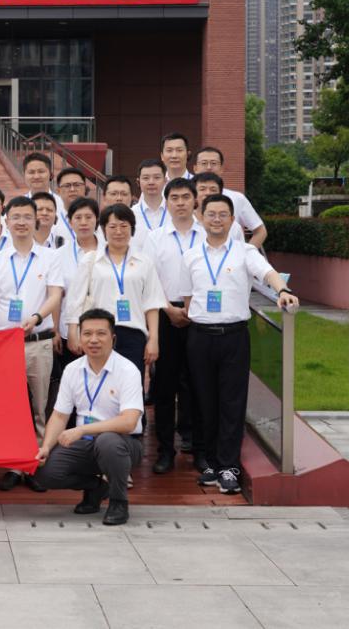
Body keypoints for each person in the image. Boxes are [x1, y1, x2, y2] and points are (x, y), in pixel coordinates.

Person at [178, 193, 299, 494]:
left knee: (232, 403)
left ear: (233, 220)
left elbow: (268, 273)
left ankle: (229, 466)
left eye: (223, 215)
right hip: (200, 337)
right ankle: (209, 462)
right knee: (203, 401)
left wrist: (283, 291)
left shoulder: (245, 252)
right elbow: (188, 298)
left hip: (233, 337)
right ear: (200, 218)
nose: (217, 220)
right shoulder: (191, 256)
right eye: (211, 214)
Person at [0, 195, 64, 492]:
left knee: (40, 407)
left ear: (35, 220)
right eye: (15, 217)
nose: (21, 222)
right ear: (7, 220)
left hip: (38, 342)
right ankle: (14, 465)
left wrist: (38, 317)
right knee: (11, 408)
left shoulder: (50, 257)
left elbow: (55, 295)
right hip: (5, 344)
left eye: (27, 216)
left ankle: (35, 465)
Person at [35, 308, 144, 526]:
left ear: (113, 338)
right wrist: (46, 446)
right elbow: (59, 416)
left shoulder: (128, 370)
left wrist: (82, 429)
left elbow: (129, 421)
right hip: (84, 444)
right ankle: (96, 488)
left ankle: (118, 502)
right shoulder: (72, 369)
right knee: (44, 473)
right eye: (87, 334)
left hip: (123, 444)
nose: (93, 340)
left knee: (107, 441)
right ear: (80, 337)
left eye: (101, 333)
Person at [143, 177, 205, 475]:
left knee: (197, 384)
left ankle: (199, 449)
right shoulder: (155, 238)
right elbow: (150, 279)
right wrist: (169, 309)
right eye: (174, 198)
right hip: (166, 314)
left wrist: (193, 309)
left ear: (195, 201)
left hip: (200, 318)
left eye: (185, 197)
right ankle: (165, 450)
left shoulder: (206, 235)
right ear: (166, 203)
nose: (180, 203)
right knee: (165, 387)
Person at [68, 205, 165, 385]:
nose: (118, 232)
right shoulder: (90, 260)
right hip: (98, 335)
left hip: (133, 334)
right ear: (103, 229)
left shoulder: (144, 262)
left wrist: (153, 339)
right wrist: (73, 332)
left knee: (131, 387)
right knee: (98, 386)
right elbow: (76, 299)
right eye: (112, 226)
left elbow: (152, 304)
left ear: (132, 229)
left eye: (124, 226)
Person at [51, 197, 101, 415]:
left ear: (97, 220)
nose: (83, 222)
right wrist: (55, 330)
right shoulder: (58, 256)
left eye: (88, 217)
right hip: (69, 331)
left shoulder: (110, 251)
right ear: (70, 222)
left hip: (103, 331)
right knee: (73, 386)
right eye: (78, 218)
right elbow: (56, 296)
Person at [193, 146, 267, 247]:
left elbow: (260, 231)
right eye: (204, 163)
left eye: (214, 163)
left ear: (221, 169)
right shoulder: (187, 198)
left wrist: (246, 253)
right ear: (195, 168)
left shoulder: (237, 198)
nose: (209, 167)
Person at [193, 172, 247, 242]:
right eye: (202, 189)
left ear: (220, 193)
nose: (208, 193)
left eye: (213, 190)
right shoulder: (184, 222)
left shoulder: (234, 227)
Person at [132, 159, 168, 233]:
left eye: (157, 177)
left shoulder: (175, 212)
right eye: (146, 178)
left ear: (165, 181)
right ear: (138, 182)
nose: (151, 182)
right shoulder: (131, 214)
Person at [54, 167, 87, 242]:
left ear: (85, 188)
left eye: (77, 185)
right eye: (67, 186)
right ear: (58, 191)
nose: (72, 189)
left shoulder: (95, 218)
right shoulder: (53, 219)